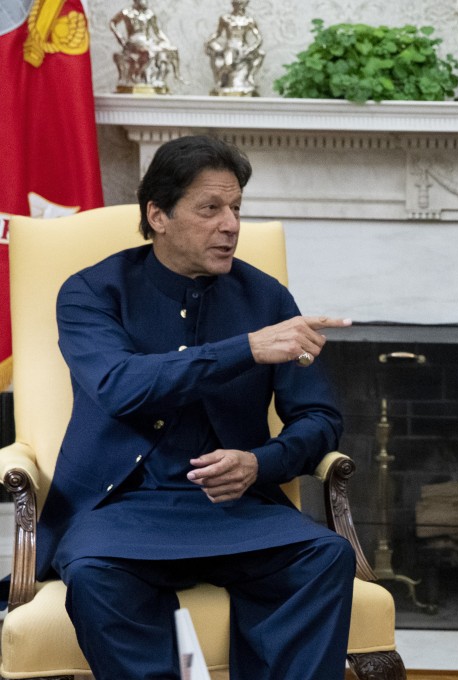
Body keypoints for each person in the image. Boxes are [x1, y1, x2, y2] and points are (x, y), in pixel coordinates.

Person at [38, 135, 356, 680]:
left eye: (236, 208)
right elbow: (120, 386)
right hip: (122, 507)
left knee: (325, 556)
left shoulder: (267, 297)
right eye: (210, 209)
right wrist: (245, 348)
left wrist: (261, 462)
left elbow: (320, 418)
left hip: (237, 507)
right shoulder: (91, 292)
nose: (230, 225)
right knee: (94, 574)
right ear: (157, 215)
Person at [109, 0, 180, 92]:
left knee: (171, 49)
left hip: (148, 41)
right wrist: (119, 37)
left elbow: (157, 32)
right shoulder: (126, 12)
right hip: (134, 41)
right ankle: (141, 76)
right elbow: (112, 22)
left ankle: (163, 78)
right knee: (149, 52)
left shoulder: (149, 14)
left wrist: (167, 42)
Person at [205, 0, 265, 96]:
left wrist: (251, 49)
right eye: (237, 4)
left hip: (244, 48)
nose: (240, 6)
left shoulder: (249, 20)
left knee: (261, 54)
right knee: (228, 64)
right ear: (233, 4)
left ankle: (250, 77)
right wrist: (208, 42)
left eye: (242, 4)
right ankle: (221, 80)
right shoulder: (225, 18)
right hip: (231, 47)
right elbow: (218, 33)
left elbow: (259, 38)